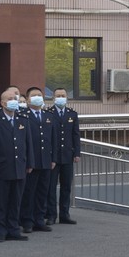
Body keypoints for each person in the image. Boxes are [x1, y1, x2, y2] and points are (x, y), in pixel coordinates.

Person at [0, 88, 30, 242]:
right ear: (2, 103)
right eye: (9, 99)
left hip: (19, 166)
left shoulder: (23, 119)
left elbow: (28, 143)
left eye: (15, 98)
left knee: (15, 201)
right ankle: (1, 230)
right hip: (2, 168)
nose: (13, 101)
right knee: (1, 202)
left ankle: (13, 229)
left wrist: (29, 163)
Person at [20, 86, 57, 233]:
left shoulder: (48, 116)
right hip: (31, 161)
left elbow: (53, 139)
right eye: (34, 95)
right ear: (27, 99)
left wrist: (53, 159)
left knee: (43, 191)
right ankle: (27, 221)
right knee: (29, 192)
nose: (37, 98)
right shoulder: (23, 116)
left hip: (46, 160)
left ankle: (39, 219)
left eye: (39, 95)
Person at [47, 88, 80, 225]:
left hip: (67, 155)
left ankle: (64, 214)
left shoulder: (72, 114)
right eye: (58, 95)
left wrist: (77, 153)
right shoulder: (48, 113)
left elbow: (75, 135)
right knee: (51, 187)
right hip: (53, 157)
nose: (60, 98)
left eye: (63, 95)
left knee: (66, 187)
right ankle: (51, 215)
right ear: (53, 98)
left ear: (67, 97)